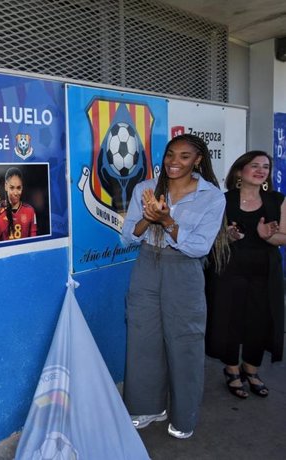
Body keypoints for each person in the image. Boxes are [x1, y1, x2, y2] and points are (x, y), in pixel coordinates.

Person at [121, 133, 228, 440]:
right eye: (170, 155)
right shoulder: (145, 188)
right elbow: (129, 236)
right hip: (146, 266)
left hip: (184, 269)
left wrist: (167, 221)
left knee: (185, 342)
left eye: (184, 156)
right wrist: (148, 218)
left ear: (198, 160)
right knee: (143, 338)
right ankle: (147, 407)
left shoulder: (211, 196)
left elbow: (198, 248)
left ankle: (185, 415)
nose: (174, 162)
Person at [205, 151, 285, 399]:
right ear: (240, 171)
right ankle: (231, 370)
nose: (261, 170)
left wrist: (267, 236)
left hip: (265, 272)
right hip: (229, 270)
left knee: (260, 321)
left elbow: (284, 237)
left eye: (266, 166)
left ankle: (251, 369)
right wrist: (226, 237)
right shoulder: (222, 200)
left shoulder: (277, 200)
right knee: (229, 319)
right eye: (255, 165)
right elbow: (209, 237)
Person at [0, 167, 37, 243]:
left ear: (22, 187)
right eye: (12, 188)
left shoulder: (29, 211)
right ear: (6, 186)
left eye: (18, 188)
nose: (16, 193)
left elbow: (34, 242)